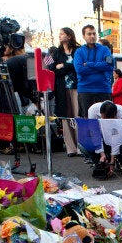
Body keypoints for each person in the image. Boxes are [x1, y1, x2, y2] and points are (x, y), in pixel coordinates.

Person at [49, 27, 81, 157]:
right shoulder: (55, 52)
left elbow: (79, 66)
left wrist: (64, 66)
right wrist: (65, 68)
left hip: (77, 87)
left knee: (78, 115)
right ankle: (70, 148)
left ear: (69, 36)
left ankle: (81, 147)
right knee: (65, 117)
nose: (59, 36)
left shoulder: (78, 50)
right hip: (62, 89)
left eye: (62, 34)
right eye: (59, 34)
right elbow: (49, 67)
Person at [74, 24, 114, 118]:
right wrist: (100, 67)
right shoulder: (79, 52)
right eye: (89, 34)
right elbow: (79, 69)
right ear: (83, 36)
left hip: (103, 90)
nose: (92, 36)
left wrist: (89, 64)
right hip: (85, 90)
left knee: (106, 120)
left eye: (94, 33)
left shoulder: (105, 50)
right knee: (87, 120)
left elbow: (109, 65)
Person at [84, 101, 122, 175]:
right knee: (83, 141)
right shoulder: (92, 110)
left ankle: (121, 162)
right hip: (101, 138)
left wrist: (112, 162)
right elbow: (95, 135)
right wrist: (102, 154)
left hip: (116, 139)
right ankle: (99, 162)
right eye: (102, 118)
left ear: (115, 115)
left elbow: (116, 138)